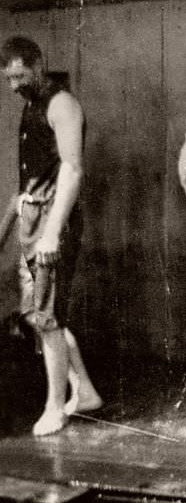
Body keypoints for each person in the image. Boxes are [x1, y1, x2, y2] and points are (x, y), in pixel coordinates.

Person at [1, 36, 102, 436]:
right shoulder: (31, 105)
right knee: (40, 314)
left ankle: (55, 407)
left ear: (39, 64)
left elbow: (72, 171)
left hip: (50, 222)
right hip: (32, 220)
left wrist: (52, 233)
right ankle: (88, 393)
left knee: (46, 318)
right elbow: (27, 184)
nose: (14, 87)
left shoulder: (62, 104)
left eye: (21, 76)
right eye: (8, 80)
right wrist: (7, 229)